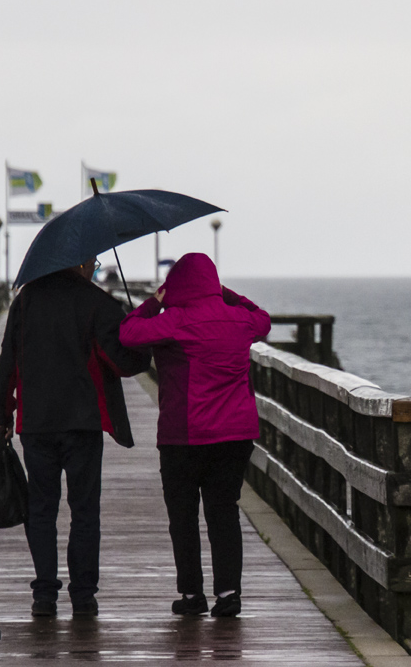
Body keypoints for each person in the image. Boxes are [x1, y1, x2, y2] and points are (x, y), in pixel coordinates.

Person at [0, 258, 151, 618]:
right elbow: (122, 362)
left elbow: (7, 362)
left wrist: (2, 413)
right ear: (78, 262)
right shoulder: (96, 302)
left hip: (37, 424)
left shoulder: (25, 301)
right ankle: (83, 595)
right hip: (83, 423)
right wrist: (142, 337)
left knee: (42, 509)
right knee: (84, 511)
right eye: (92, 262)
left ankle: (44, 594)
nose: (94, 267)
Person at [119, 252, 270, 617]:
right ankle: (229, 593)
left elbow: (128, 334)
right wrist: (227, 294)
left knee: (183, 517)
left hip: (184, 435)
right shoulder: (239, 319)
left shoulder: (176, 320)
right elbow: (263, 320)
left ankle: (192, 595)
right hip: (236, 435)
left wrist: (152, 303)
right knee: (224, 513)